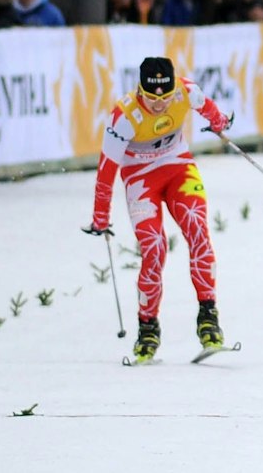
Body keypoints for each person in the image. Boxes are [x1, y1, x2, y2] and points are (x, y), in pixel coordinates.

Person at [86, 56, 232, 364]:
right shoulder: (123, 116)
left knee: (198, 231)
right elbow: (106, 169)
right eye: (152, 99)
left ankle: (209, 319)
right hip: (140, 178)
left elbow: (209, 108)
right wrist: (101, 216)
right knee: (154, 248)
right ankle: (148, 329)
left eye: (165, 98)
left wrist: (219, 124)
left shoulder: (185, 91)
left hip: (178, 168)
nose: (159, 105)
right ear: (141, 90)